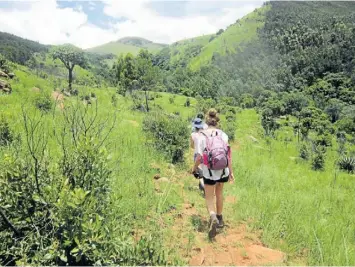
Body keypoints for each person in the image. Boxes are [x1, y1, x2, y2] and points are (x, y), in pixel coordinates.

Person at [191, 108, 234, 239]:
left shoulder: (201, 136)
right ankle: (220, 219)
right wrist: (231, 172)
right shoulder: (223, 135)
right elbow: (228, 156)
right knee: (219, 193)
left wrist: (194, 169)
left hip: (209, 172)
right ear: (217, 121)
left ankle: (212, 216)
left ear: (206, 120)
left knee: (209, 196)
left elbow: (199, 157)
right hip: (223, 171)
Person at [190, 117, 205, 194]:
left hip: (197, 154)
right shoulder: (205, 134)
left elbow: (192, 146)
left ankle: (204, 188)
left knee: (200, 174)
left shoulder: (193, 135)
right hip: (206, 154)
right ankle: (202, 187)